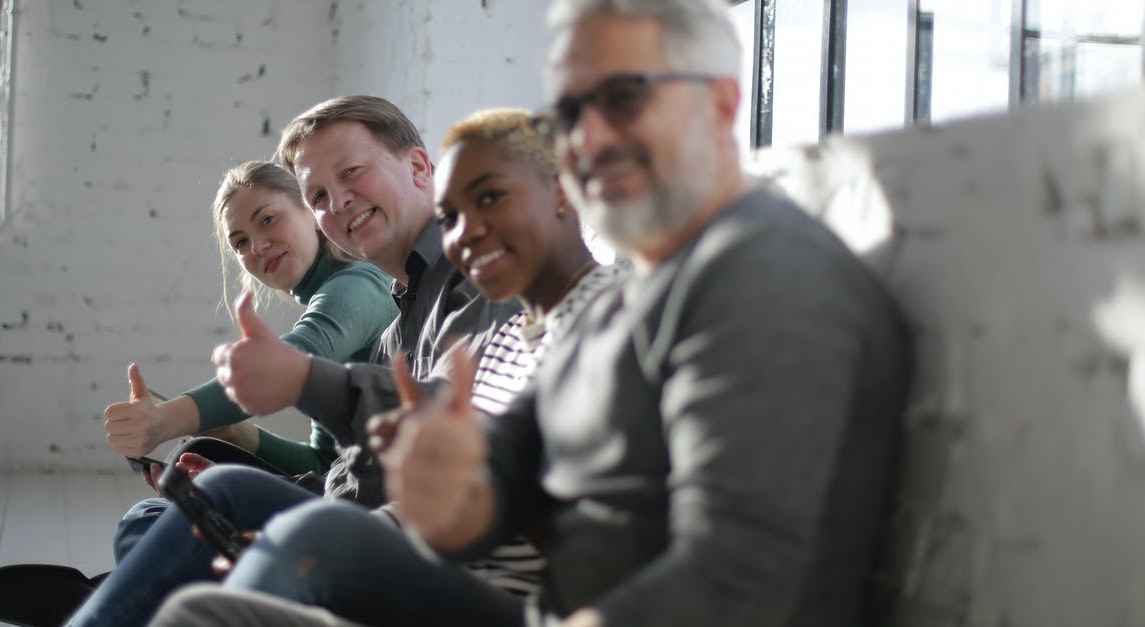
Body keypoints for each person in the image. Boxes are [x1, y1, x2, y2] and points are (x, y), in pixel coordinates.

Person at [149, 1, 912, 626]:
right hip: (515, 598)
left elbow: (742, 567)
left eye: (624, 98)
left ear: (718, 102)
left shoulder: (768, 277)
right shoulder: (611, 305)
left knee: (297, 546)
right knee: (210, 603)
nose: (590, 137)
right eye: (573, 109)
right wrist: (446, 491)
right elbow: (502, 468)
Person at [141, 107, 629, 627]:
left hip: (522, 599)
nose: (461, 234)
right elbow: (414, 473)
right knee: (205, 578)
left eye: (490, 199)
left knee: (254, 523)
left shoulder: (606, 315)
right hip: (443, 556)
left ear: (563, 195)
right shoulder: (504, 334)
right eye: (454, 213)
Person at [63, 96, 519, 627]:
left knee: (211, 498)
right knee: (177, 510)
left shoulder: (460, 277)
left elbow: (309, 358)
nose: (339, 202)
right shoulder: (401, 319)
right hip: (366, 519)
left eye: (351, 172)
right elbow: (345, 465)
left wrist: (169, 421)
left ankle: (120, 599)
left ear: (420, 167)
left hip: (424, 550)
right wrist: (246, 448)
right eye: (320, 194)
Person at [107, 160, 398, 562]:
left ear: (312, 215)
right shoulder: (335, 290)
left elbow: (282, 361)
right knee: (181, 479)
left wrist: (166, 420)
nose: (256, 246)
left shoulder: (357, 286)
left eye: (268, 220)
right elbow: (326, 462)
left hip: (369, 511)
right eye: (240, 242)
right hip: (344, 488)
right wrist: (244, 438)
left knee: (148, 521)